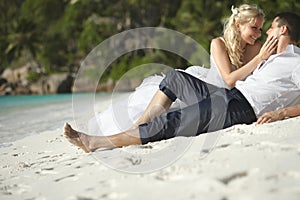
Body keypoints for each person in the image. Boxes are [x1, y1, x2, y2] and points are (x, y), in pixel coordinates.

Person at [64, 12, 300, 153]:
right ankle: (139, 125)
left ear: (283, 30)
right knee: (175, 78)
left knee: (170, 122)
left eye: (270, 28)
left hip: (241, 108)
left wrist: (281, 114)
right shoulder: (272, 58)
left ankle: (94, 143)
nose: (266, 33)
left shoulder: (296, 61)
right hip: (230, 96)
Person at [88, 4, 275, 136]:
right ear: (238, 25)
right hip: (210, 91)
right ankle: (138, 127)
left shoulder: (257, 47)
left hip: (236, 102)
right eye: (254, 28)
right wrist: (259, 59)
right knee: (170, 90)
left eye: (260, 29)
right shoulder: (219, 44)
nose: (258, 34)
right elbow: (228, 80)